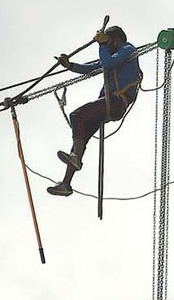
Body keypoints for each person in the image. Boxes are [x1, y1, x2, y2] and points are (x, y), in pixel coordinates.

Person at [47, 26, 141, 197]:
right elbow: (93, 67)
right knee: (80, 137)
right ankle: (66, 183)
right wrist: (70, 66)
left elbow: (107, 63)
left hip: (116, 101)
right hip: (108, 103)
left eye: (109, 40)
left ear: (116, 39)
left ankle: (75, 158)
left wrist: (102, 45)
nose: (107, 44)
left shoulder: (128, 49)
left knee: (77, 116)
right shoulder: (114, 56)